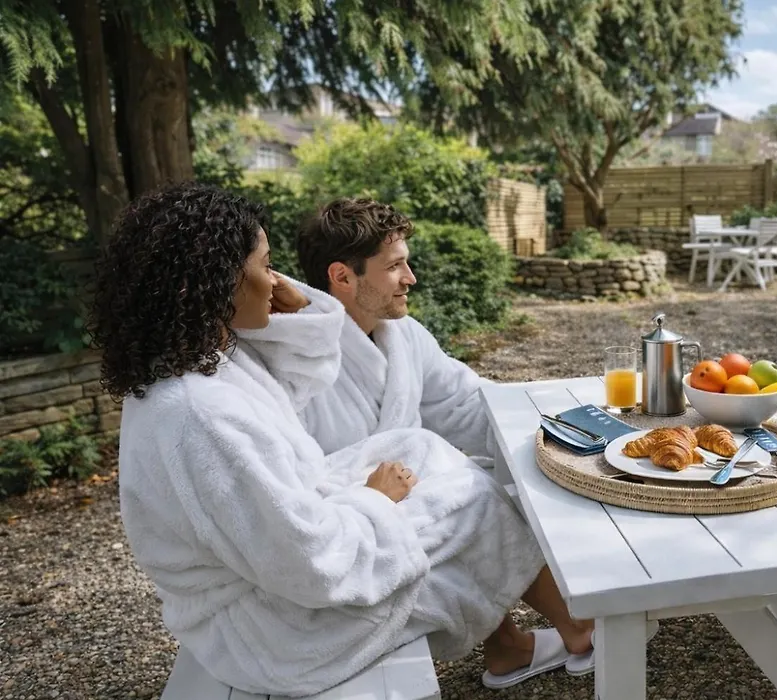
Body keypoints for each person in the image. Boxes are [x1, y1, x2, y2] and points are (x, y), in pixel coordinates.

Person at [90, 182, 593, 696]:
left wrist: (306, 315)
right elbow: (308, 562)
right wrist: (376, 501)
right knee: (471, 501)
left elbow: (302, 390)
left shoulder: (210, 367)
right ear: (215, 280)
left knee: (427, 455)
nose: (276, 281)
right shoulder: (204, 415)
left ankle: (519, 640)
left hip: (281, 560)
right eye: (266, 266)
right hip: (273, 626)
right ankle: (571, 626)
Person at [240, 197, 498, 463]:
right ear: (342, 277)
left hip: (419, 481)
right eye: (394, 266)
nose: (411, 278)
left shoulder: (407, 335)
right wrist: (374, 486)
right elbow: (290, 469)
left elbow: (461, 403)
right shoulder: (295, 357)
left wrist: (521, 420)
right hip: (351, 489)